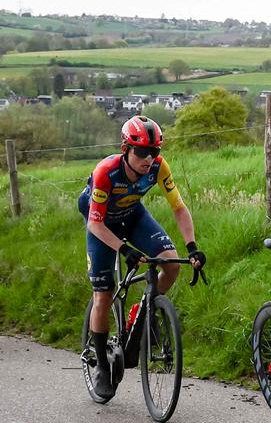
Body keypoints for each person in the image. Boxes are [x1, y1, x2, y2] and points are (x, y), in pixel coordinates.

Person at [78, 115, 206, 400]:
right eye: (142, 152)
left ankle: (143, 313)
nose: (149, 159)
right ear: (126, 149)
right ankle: (100, 365)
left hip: (132, 215)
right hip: (101, 222)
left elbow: (179, 208)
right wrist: (124, 249)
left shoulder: (158, 168)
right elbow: (95, 224)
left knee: (171, 264)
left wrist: (192, 246)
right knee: (103, 294)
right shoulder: (106, 172)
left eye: (154, 152)